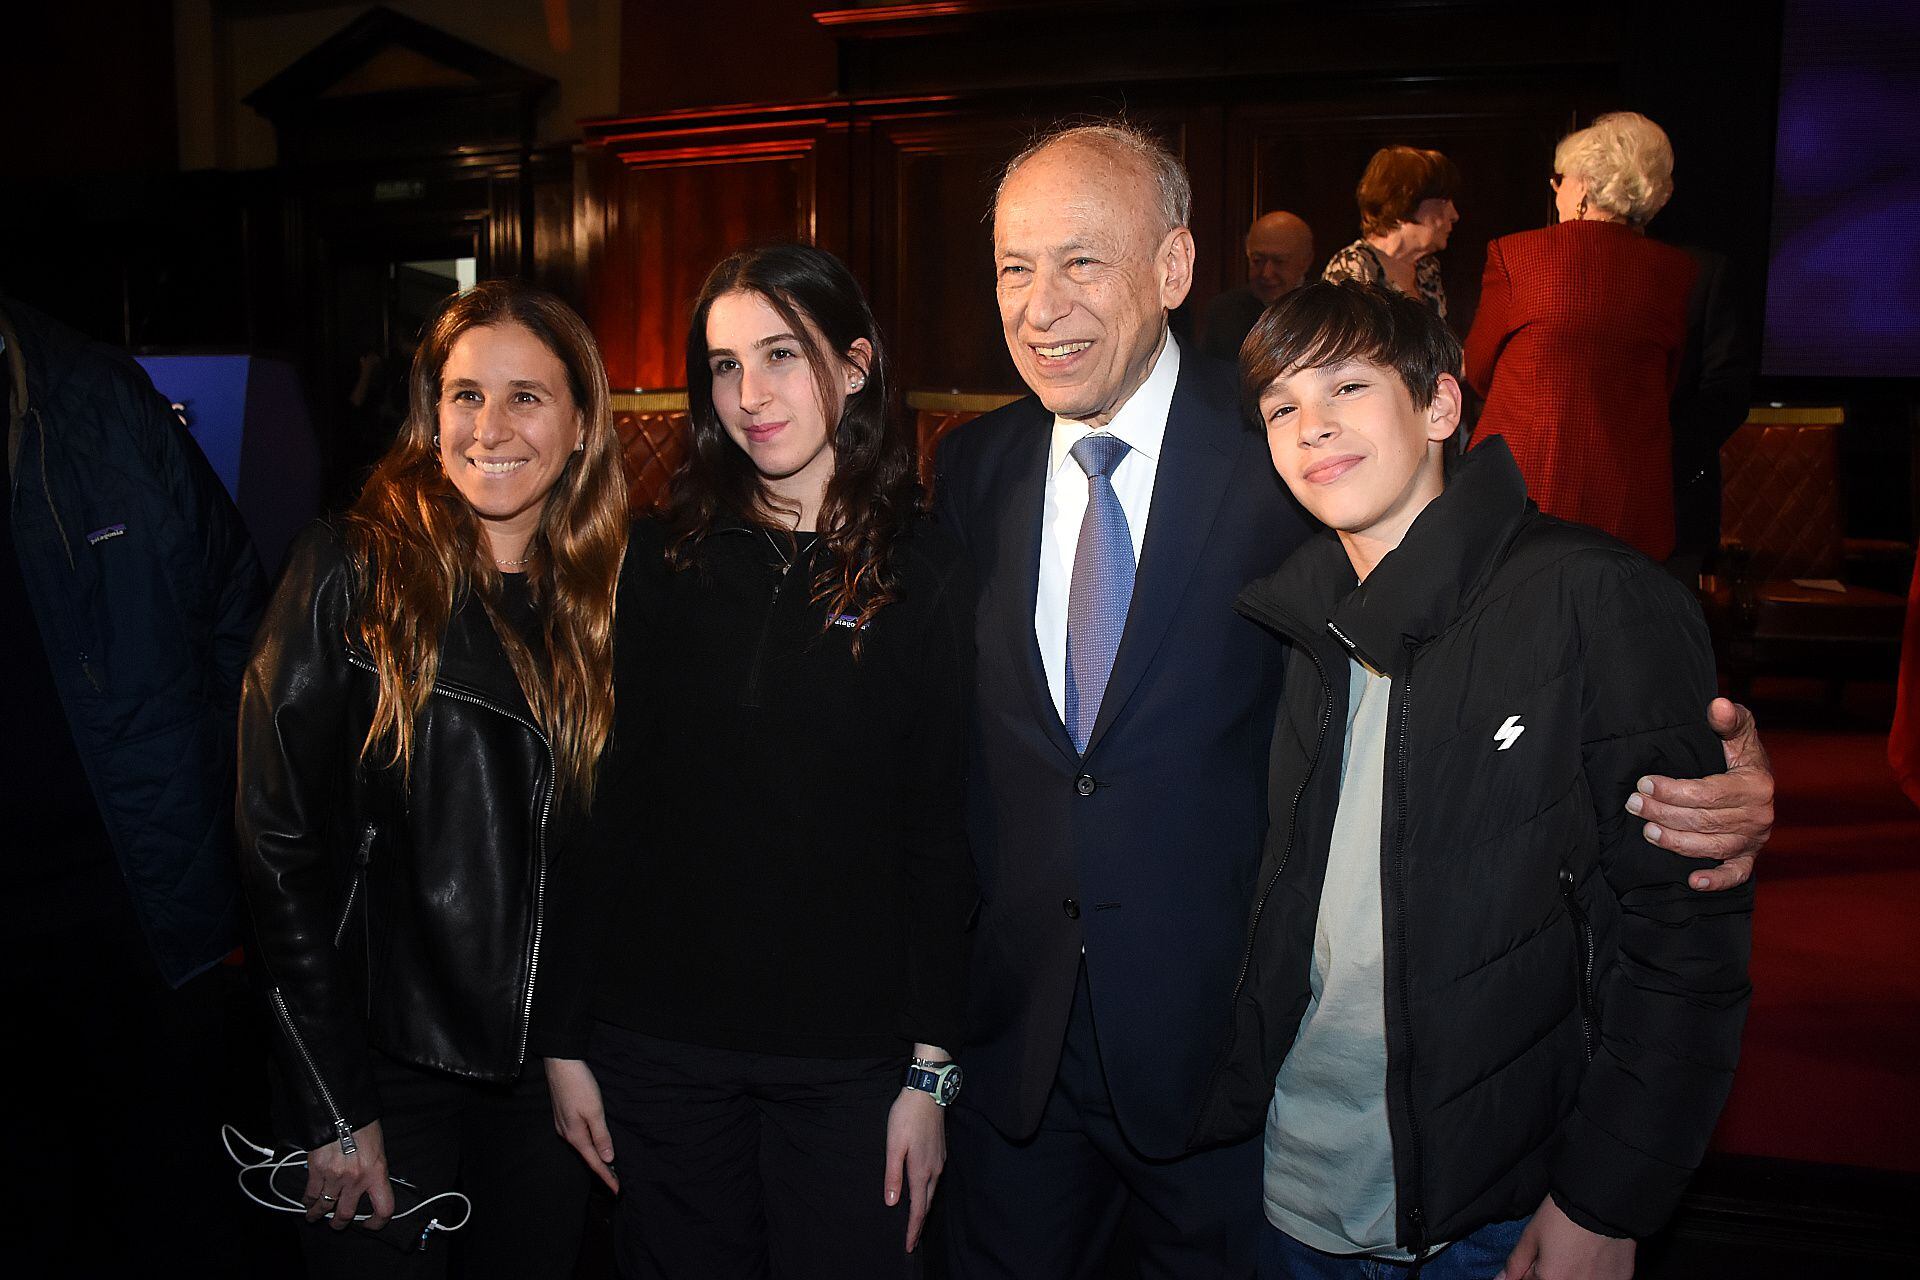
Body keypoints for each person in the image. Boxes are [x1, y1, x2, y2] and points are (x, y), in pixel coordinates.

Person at [932, 119, 1773, 1279]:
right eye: (1014, 268)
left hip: (1227, 1074)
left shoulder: (1288, 451)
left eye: (1082, 261)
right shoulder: (972, 474)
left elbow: (1492, 626)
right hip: (1017, 1071)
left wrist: (1699, 775)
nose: (1041, 304)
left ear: (1173, 268)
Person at [1196, 280, 1753, 1279]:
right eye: (1282, 406)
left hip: (1490, 1209)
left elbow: (1685, 934)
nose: (1312, 424)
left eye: (1349, 387)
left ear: (1442, 406)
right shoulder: (1288, 623)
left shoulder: (1595, 595)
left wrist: (1608, 1196)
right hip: (1290, 1183)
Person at [538, 243, 976, 1279]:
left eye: (782, 354)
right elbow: (600, 809)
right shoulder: (658, 559)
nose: (750, 394)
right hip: (661, 1048)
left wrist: (932, 1072)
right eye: (725, 366)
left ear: (858, 362)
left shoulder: (931, 571)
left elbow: (941, 833)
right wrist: (564, 1036)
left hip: (853, 1064)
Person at [237, 279, 626, 1277]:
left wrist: (573, 1045)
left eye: (527, 396)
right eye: (464, 394)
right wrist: (334, 1099)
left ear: (581, 423)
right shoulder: (349, 571)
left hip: (543, 1084)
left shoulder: (608, 601)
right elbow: (276, 849)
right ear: (430, 413)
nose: (490, 426)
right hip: (380, 1072)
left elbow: (601, 865)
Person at [2, 294, 267, 1276]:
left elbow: (238, 616)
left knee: (168, 1212)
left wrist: (212, 819)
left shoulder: (93, 395)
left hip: (141, 906)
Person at [1463, 111, 1698, 563]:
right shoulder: (1676, 272)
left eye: (1561, 178)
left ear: (1585, 186)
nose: (1557, 188)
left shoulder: (1517, 254)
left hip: (1528, 490)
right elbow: (1666, 383)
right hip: (1628, 499)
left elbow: (1479, 369)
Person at [1321, 146, 1460, 318]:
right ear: (1404, 202)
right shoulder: (1354, 264)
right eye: (1443, 201)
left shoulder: (1427, 269)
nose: (1454, 215)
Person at [1202, 210, 1315, 360]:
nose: (1266, 273)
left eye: (1279, 261)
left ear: (1306, 261)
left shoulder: (1323, 312)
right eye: (1257, 261)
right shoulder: (1223, 313)